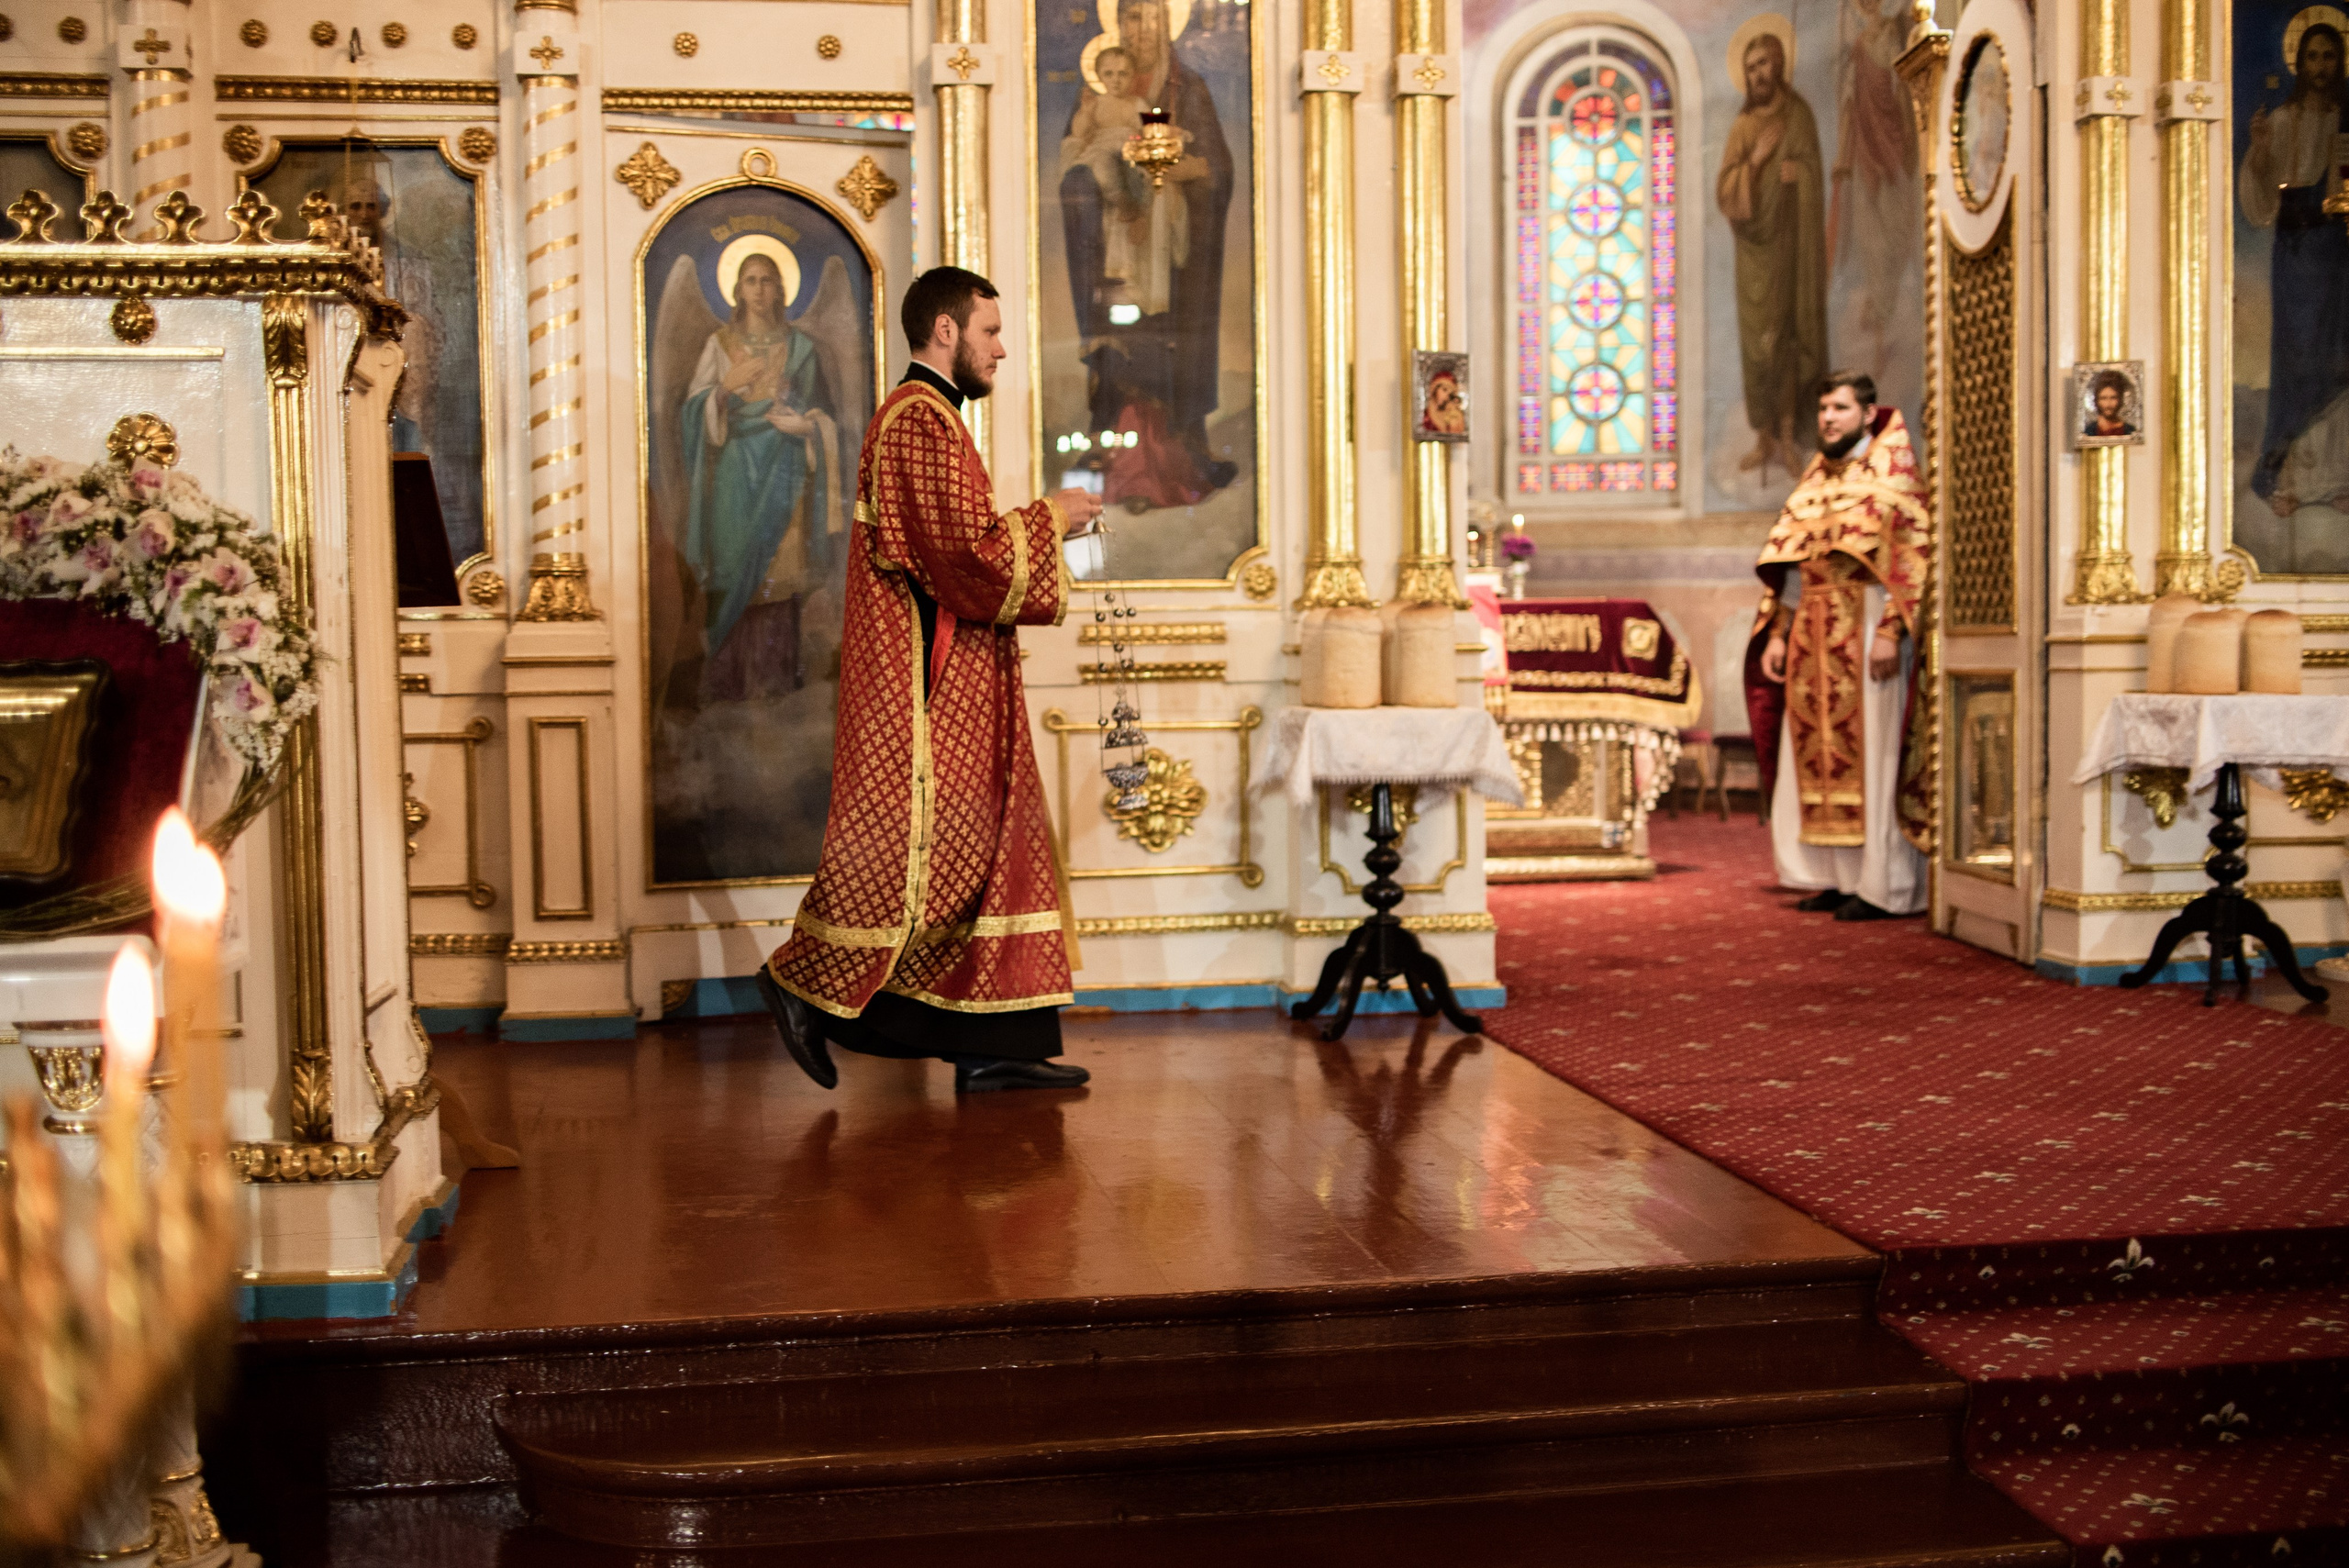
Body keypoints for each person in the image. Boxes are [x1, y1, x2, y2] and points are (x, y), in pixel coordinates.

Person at [757, 268, 1107, 1093]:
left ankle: (996, 1043)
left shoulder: (936, 419)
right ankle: (799, 985)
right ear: (945, 333)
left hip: (959, 679)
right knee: (912, 858)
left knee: (986, 858)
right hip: (926, 691)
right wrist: (1051, 515)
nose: (1001, 346)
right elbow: (968, 560)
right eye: (989, 331)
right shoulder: (919, 419)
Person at [1745, 371, 1931, 921]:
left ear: (1869, 414)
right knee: (1816, 760)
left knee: (1873, 753)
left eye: (1840, 409)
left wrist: (1891, 632)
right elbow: (1796, 564)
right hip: (1813, 635)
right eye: (1823, 408)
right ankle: (1831, 875)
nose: (1828, 418)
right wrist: (1779, 633)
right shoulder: (1815, 482)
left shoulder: (1895, 479)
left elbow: (1913, 561)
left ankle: (1883, 885)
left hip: (1867, 624)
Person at [678, 250, 844, 700]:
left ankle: (776, 687)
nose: (758, 289)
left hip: (786, 471)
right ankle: (727, 686)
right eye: (750, 280)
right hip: (734, 477)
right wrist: (724, 390)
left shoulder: (802, 349)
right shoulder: (719, 344)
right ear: (736, 290)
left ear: (781, 289)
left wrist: (809, 427)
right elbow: (693, 412)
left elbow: (825, 415)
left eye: (767, 280)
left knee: (781, 576)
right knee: (733, 570)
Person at [2238, 19, 2349, 524]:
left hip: (2339, 252)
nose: (2321, 67)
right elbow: (2260, 204)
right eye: (2313, 57)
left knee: (2338, 361)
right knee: (2297, 361)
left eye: (2330, 56)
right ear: (2298, 64)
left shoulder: (2347, 122)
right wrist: (2260, 150)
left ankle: (2335, 480)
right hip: (2297, 254)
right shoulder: (2282, 121)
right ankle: (2286, 480)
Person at [1717, 28, 1828, 481]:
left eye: (1764, 63)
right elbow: (1727, 192)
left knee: (1789, 339)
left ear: (1779, 64)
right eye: (1751, 66)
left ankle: (1787, 436)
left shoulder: (1797, 116)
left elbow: (1814, 177)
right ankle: (1764, 437)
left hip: (1792, 250)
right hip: (1754, 255)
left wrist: (1797, 174)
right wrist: (1758, 161)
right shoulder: (1744, 128)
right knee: (1758, 348)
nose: (1758, 73)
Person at [2083, 370, 2136, 439]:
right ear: (2096, 400)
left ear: (2120, 400)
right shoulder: (2089, 432)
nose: (2108, 405)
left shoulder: (2130, 431)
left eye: (2113, 398)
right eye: (2103, 398)